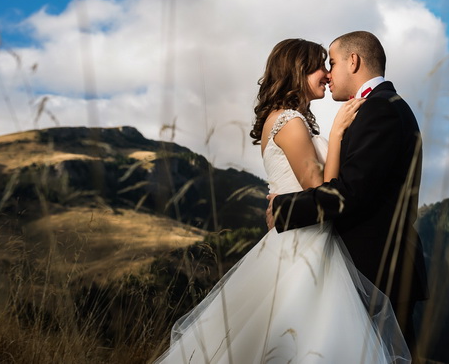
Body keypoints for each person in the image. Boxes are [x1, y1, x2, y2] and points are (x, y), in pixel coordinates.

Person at [155, 38, 411, 364]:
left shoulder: (292, 119)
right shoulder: (289, 121)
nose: (327, 74)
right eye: (320, 65)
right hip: (304, 245)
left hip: (305, 238)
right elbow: (320, 186)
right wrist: (336, 137)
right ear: (298, 70)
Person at [269, 31, 428, 354]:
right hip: (374, 268)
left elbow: (351, 191)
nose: (329, 72)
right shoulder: (381, 107)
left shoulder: (380, 109)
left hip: (378, 269)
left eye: (332, 61)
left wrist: (284, 208)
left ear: (353, 61)